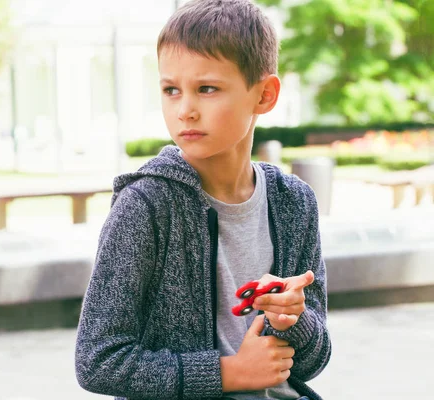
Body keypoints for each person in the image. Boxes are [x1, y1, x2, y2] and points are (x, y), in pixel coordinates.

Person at [75, 0, 331, 399]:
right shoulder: (145, 207)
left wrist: (292, 319)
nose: (185, 110)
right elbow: (98, 361)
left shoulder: (294, 203)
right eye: (171, 90)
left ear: (264, 95)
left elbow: (314, 361)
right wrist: (229, 373)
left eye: (207, 89)